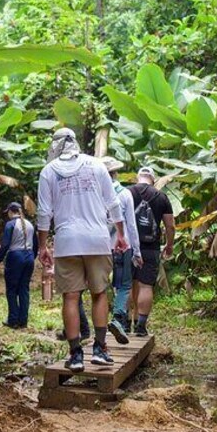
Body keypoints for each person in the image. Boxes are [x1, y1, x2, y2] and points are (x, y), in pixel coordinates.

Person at [37, 128, 130, 373]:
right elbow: (113, 203)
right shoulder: (97, 166)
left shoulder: (48, 172)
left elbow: (44, 213)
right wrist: (121, 234)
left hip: (67, 242)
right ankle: (100, 348)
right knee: (99, 293)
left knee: (70, 297)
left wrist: (42, 245)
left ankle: (76, 354)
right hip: (97, 239)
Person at [129, 167, 175, 337]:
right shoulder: (161, 197)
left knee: (127, 284)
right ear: (153, 180)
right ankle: (140, 326)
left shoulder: (127, 193)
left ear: (137, 178)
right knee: (146, 285)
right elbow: (170, 225)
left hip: (129, 246)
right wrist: (169, 245)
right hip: (151, 248)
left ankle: (125, 324)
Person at [100, 157, 143, 333]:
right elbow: (131, 225)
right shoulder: (125, 194)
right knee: (124, 284)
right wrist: (137, 251)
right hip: (122, 245)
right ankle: (118, 316)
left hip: (100, 245)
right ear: (116, 173)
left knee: (101, 285)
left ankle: (100, 324)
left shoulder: (96, 194)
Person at [0, 202, 38, 329]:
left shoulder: (10, 224)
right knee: (24, 289)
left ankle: (13, 319)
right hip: (28, 257)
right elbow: (36, 245)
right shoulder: (29, 224)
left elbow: (5, 245)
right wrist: (31, 258)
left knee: (11, 290)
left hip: (15, 256)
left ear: (11, 212)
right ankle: (23, 320)